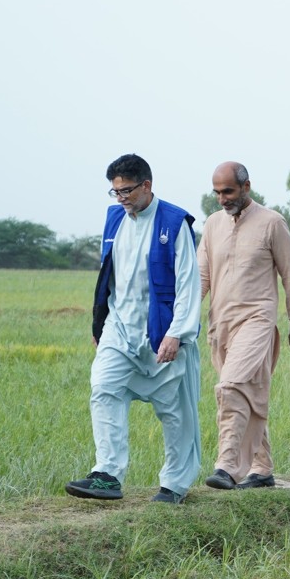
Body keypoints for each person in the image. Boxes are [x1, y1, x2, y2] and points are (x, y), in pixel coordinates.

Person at [67, 154, 202, 505]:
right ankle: (107, 474)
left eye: (127, 190)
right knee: (103, 387)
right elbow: (108, 276)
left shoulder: (174, 223)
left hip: (162, 331)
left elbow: (188, 283)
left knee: (174, 412)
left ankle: (174, 484)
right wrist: (100, 323)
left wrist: (177, 333)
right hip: (119, 327)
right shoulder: (114, 220)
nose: (122, 198)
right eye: (115, 192)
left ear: (147, 185)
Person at [198, 162, 290, 492]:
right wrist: (180, 323)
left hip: (257, 322)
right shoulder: (213, 224)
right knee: (250, 396)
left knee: (230, 388)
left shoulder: (272, 223)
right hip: (221, 326)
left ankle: (227, 466)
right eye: (217, 192)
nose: (222, 198)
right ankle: (262, 469)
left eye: (228, 191)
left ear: (246, 187)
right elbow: (201, 278)